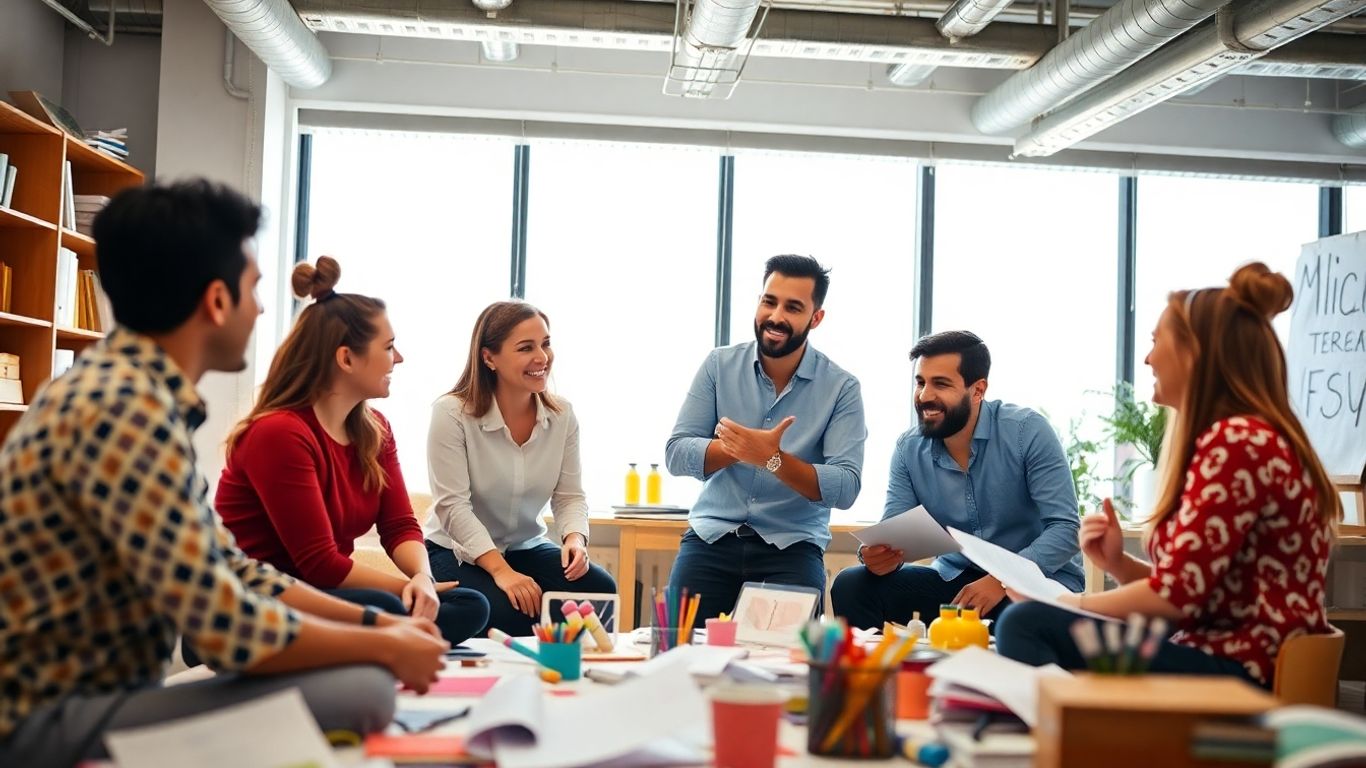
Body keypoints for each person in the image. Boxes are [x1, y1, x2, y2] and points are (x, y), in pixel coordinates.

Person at [0, 181, 449, 767]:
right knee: (361, 686)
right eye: (253, 289)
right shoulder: (124, 411)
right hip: (44, 720)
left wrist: (375, 625)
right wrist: (380, 641)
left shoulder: (130, 396)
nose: (262, 309)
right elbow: (222, 626)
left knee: (364, 671)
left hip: (101, 696)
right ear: (217, 301)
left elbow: (232, 569)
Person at [996, 262, 1339, 689]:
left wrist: (1070, 603)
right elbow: (1191, 592)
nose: (1148, 357)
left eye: (1157, 341)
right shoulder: (1251, 438)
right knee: (1029, 622)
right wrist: (1118, 564)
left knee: (1027, 623)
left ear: (1194, 353)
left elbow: (1175, 599)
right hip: (1230, 657)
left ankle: (1071, 737)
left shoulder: (1237, 441)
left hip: (1239, 669)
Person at [216, 257, 490, 647]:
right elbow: (319, 563)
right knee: (388, 605)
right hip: (264, 601)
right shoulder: (279, 433)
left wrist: (422, 582)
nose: (399, 358)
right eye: (389, 347)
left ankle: (390, 636)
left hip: (327, 594)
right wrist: (404, 592)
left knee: (469, 604)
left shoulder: (375, 429)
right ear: (346, 358)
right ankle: (392, 637)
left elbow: (399, 527)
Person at [830, 331, 1083, 629]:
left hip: (1036, 584)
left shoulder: (1027, 432)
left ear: (978, 390)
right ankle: (879, 674)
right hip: (958, 584)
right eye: (920, 382)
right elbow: (894, 535)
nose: (924, 396)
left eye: (941, 384)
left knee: (1017, 621)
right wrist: (876, 556)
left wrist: (1003, 579)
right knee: (852, 584)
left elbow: (1066, 530)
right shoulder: (908, 449)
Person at [665, 255, 866, 621]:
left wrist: (773, 459)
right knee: (680, 646)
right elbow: (677, 453)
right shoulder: (718, 365)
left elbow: (846, 486)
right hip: (712, 538)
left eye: (793, 307)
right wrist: (736, 449)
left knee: (784, 662)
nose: (776, 317)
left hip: (791, 547)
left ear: (815, 318)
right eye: (768, 301)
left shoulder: (841, 388)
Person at [424, 301, 617, 636]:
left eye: (545, 343)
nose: (542, 357)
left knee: (597, 591)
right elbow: (453, 507)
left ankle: (565, 673)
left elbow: (570, 496)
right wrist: (501, 571)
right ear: (489, 358)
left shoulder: (562, 416)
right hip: (455, 550)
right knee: (503, 610)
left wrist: (575, 540)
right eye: (526, 348)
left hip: (524, 546)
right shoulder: (452, 413)